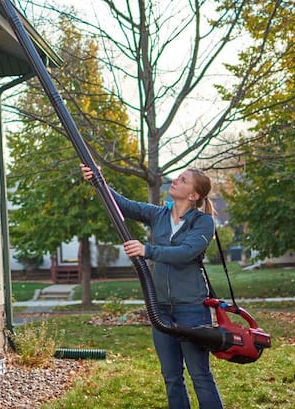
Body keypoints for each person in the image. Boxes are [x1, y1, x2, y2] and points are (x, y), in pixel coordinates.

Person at [81, 164, 223, 409]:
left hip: (191, 308)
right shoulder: (158, 214)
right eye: (178, 177)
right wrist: (98, 179)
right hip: (161, 309)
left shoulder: (203, 223)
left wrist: (148, 250)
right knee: (171, 377)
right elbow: (122, 204)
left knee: (200, 375)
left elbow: (185, 253)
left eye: (183, 179)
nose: (175, 180)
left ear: (194, 195)